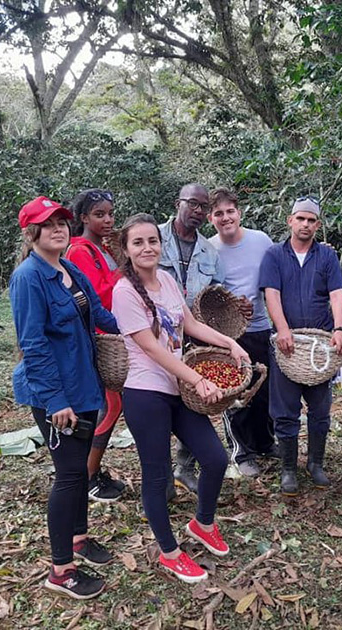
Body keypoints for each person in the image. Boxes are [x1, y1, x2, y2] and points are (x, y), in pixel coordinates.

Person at [112, 213, 250, 583]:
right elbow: (152, 350)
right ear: (126, 249)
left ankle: (203, 523)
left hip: (176, 389)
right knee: (156, 476)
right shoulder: (123, 291)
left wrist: (229, 341)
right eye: (137, 242)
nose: (147, 248)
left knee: (216, 458)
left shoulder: (169, 281)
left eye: (152, 241)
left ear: (161, 245)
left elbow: (190, 324)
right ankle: (169, 553)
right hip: (146, 393)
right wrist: (198, 379)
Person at [10, 196, 119, 599]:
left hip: (86, 385)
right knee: (70, 475)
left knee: (79, 474)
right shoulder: (29, 277)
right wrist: (55, 400)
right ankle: (61, 570)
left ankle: (79, 538)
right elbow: (33, 344)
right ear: (32, 232)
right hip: (56, 394)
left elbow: (101, 317)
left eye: (62, 222)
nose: (58, 228)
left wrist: (144, 329)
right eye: (48, 224)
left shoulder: (69, 269)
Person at [258, 196, 342, 496]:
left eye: (311, 220)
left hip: (318, 345)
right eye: (301, 219)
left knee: (320, 407)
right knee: (284, 410)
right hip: (287, 344)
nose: (306, 224)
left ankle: (316, 462)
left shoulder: (326, 256)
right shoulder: (274, 255)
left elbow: (337, 294)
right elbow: (271, 294)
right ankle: (288, 468)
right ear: (290, 221)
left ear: (318, 225)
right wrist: (282, 329)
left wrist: (339, 328)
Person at [159, 183, 225, 494]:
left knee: (195, 401)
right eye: (193, 204)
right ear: (178, 202)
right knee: (159, 402)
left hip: (194, 336)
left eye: (203, 207)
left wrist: (233, 305)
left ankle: (184, 466)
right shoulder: (153, 237)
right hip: (156, 337)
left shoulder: (209, 250)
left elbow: (217, 294)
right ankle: (160, 475)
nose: (198, 211)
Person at [208, 187, 277, 477]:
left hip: (262, 326)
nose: (226, 218)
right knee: (237, 392)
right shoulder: (208, 248)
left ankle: (264, 442)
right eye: (218, 213)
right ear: (210, 218)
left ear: (239, 212)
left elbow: (274, 278)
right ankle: (242, 451)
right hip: (228, 335)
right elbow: (206, 293)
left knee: (265, 391)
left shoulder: (261, 241)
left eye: (230, 211)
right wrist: (230, 307)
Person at [65, 189, 125, 503]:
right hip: (100, 339)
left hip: (110, 336)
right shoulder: (79, 251)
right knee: (110, 406)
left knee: (109, 406)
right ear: (84, 218)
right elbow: (98, 295)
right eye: (99, 214)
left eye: (110, 214)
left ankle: (90, 470)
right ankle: (87, 477)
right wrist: (125, 271)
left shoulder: (99, 247)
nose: (107, 220)